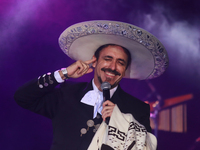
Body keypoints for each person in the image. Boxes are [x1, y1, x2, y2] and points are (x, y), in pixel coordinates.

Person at [14, 20, 168, 150]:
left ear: (125, 69)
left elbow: (145, 147)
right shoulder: (67, 94)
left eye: (120, 62)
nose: (113, 67)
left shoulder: (137, 108)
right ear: (95, 61)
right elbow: (22, 97)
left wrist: (121, 119)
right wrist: (63, 74)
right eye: (108, 58)